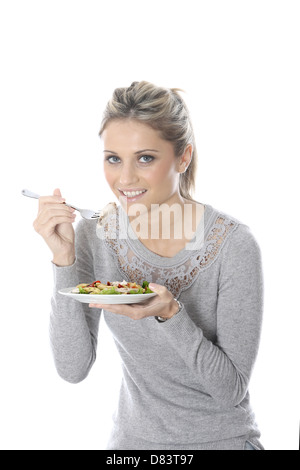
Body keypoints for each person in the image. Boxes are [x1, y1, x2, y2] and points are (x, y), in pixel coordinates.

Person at [33, 81, 264, 450]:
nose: (124, 180)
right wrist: (64, 259)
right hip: (131, 447)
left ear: (183, 158)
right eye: (113, 159)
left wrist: (172, 313)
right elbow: (72, 369)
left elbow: (230, 390)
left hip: (221, 442)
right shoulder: (96, 234)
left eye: (145, 158)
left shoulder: (234, 245)